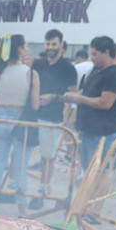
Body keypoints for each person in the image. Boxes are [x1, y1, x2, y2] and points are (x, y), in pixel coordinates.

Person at [0, 34, 39, 216]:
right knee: (21, 167)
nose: (28, 50)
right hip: (20, 121)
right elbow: (35, 105)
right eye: (25, 46)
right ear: (19, 49)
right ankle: (22, 212)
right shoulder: (30, 73)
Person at [63, 36, 116, 171]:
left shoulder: (114, 75)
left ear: (106, 53)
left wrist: (81, 99)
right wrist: (75, 96)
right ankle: (89, 192)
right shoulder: (96, 71)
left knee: (99, 172)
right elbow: (87, 93)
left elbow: (105, 103)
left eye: (95, 54)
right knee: (88, 170)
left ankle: (98, 193)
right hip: (89, 130)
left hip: (102, 133)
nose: (92, 57)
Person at [31, 28, 76, 204]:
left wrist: (54, 97)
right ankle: (16, 190)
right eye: (48, 43)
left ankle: (42, 191)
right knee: (24, 153)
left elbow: (73, 94)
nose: (50, 47)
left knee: (47, 157)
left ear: (61, 45)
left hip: (52, 117)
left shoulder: (68, 68)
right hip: (32, 115)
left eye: (54, 44)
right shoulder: (38, 64)